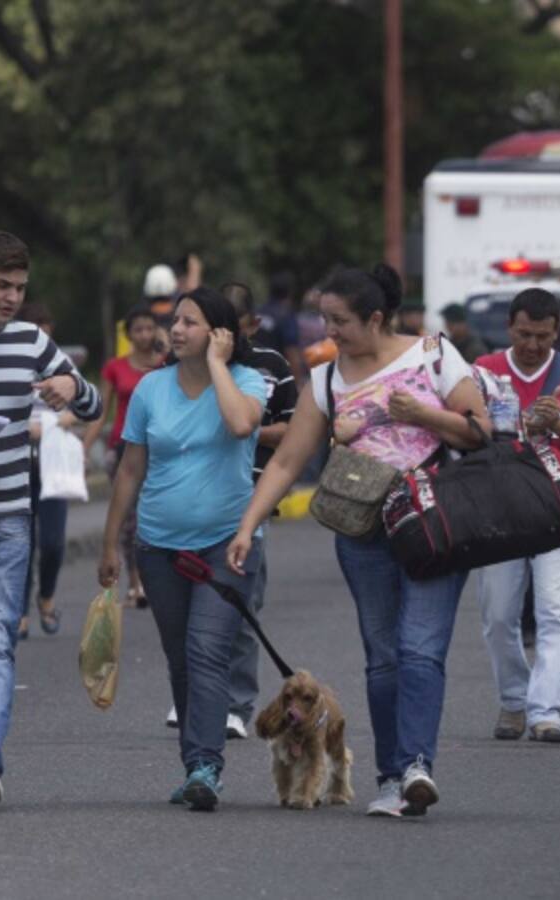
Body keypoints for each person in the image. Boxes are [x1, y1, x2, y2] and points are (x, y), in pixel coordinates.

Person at [225, 264, 490, 819]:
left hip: (435, 528)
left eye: (340, 321)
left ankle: (417, 764)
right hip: (364, 535)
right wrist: (247, 526)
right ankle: (391, 778)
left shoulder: (434, 355)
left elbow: (478, 428)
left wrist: (423, 413)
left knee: (420, 649)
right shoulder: (325, 379)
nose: (330, 331)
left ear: (375, 318)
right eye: (325, 319)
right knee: (383, 658)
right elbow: (287, 461)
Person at [98, 286, 268, 811]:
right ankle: (194, 759)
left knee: (206, 650)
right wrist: (110, 545)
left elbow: (242, 424)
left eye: (190, 322)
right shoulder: (151, 389)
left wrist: (218, 363)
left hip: (227, 544)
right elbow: (131, 469)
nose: (175, 330)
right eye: (175, 320)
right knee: (180, 658)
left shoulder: (246, 380)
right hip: (159, 547)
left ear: (219, 334)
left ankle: (205, 766)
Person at [0, 231, 102, 812]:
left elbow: (91, 404)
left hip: (7, 521)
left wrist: (71, 385)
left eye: (20, 287)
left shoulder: (31, 342)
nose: (12, 298)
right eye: (1, 285)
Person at [166, 282, 296, 740]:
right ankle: (198, 695)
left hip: (250, 498)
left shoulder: (265, 369)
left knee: (238, 605)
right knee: (187, 609)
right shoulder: (179, 370)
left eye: (234, 329)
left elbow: (288, 431)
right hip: (186, 506)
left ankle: (237, 703)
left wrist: (244, 424)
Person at [475, 288, 560, 744]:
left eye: (543, 337)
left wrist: (557, 424)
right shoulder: (485, 370)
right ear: (510, 327)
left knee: (556, 613)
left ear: (557, 332)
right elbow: (465, 429)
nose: (532, 345)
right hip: (499, 508)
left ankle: (545, 712)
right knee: (499, 614)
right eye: (525, 334)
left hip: (557, 508)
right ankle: (514, 699)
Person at [83, 305, 159, 607]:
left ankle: (157, 579)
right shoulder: (116, 367)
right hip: (122, 447)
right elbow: (100, 412)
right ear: (128, 335)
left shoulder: (165, 364)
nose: (144, 335)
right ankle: (136, 582)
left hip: (158, 448)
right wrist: (84, 446)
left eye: (149, 328)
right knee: (129, 518)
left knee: (152, 516)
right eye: (138, 329)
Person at [16, 303, 82, 640]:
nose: (42, 333)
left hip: (53, 461)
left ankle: (47, 596)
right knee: (20, 541)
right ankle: (21, 611)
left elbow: (82, 410)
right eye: (34, 326)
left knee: (53, 542)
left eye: (46, 326)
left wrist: (50, 425)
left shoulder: (62, 366)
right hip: (18, 462)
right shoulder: (11, 364)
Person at [254, 271, 305, 382]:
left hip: (252, 374)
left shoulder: (257, 313)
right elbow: (292, 352)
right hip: (275, 377)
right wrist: (298, 384)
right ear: (290, 293)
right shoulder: (286, 316)